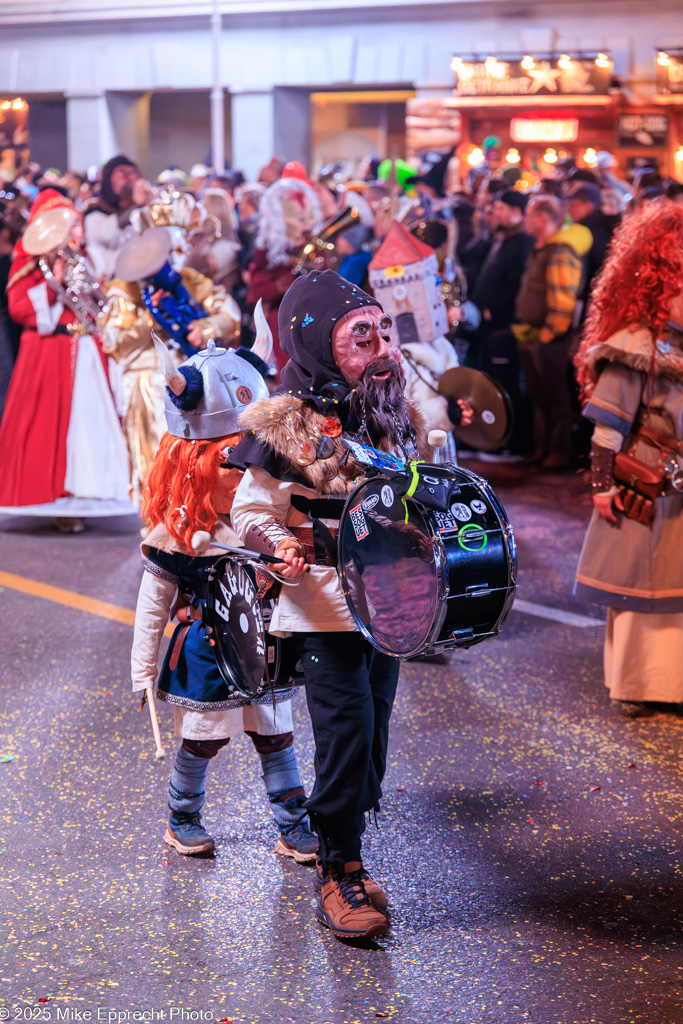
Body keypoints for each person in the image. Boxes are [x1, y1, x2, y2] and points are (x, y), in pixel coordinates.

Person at [229, 269, 431, 941]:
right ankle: (337, 867)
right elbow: (248, 510)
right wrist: (278, 545)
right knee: (346, 736)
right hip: (324, 608)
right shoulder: (290, 425)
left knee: (372, 736)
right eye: (359, 338)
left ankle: (348, 851)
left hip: (391, 606)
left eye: (383, 332)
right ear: (319, 347)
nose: (380, 349)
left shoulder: (393, 406)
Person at [131, 333, 317, 860]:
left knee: (276, 735)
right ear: (190, 465)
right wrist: (143, 672)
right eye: (228, 464)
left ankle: (292, 824)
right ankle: (182, 815)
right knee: (204, 739)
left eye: (250, 462)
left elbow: (297, 577)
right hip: (207, 649)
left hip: (269, 647)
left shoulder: (271, 520)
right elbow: (152, 604)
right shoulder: (176, 537)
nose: (242, 476)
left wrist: (292, 567)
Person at [574, 201, 683, 718]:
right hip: (647, 488)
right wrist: (602, 485)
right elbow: (608, 424)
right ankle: (639, 684)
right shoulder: (638, 344)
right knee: (642, 589)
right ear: (661, 282)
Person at [0, 189, 132, 529]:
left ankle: (88, 492)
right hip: (48, 352)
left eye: (75, 222)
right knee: (49, 426)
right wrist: (53, 282)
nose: (76, 230)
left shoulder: (83, 257)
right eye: (69, 223)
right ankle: (55, 497)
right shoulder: (30, 261)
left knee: (89, 423)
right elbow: (19, 309)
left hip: (85, 348)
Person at [99, 193, 241, 507]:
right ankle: (156, 523)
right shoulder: (125, 288)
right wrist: (149, 317)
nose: (173, 258)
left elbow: (229, 315)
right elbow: (112, 338)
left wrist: (206, 328)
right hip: (147, 379)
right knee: (156, 456)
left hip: (196, 379)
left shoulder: (193, 281)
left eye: (178, 249)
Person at [512, 195, 592, 468]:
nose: (525, 220)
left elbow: (563, 300)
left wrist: (549, 335)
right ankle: (543, 450)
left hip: (549, 340)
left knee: (556, 398)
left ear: (543, 219)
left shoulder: (560, 250)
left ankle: (559, 453)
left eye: (530, 215)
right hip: (535, 337)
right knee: (539, 395)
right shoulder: (543, 247)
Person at [247, 178, 322, 375]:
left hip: (315, 316)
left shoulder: (316, 245)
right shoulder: (267, 248)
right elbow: (257, 289)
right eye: (299, 218)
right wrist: (282, 285)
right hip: (282, 319)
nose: (305, 224)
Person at [83, 155, 153, 282]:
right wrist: (136, 206)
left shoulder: (144, 211)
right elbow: (106, 234)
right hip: (111, 286)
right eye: (122, 174)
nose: (129, 179)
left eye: (133, 174)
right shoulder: (95, 210)